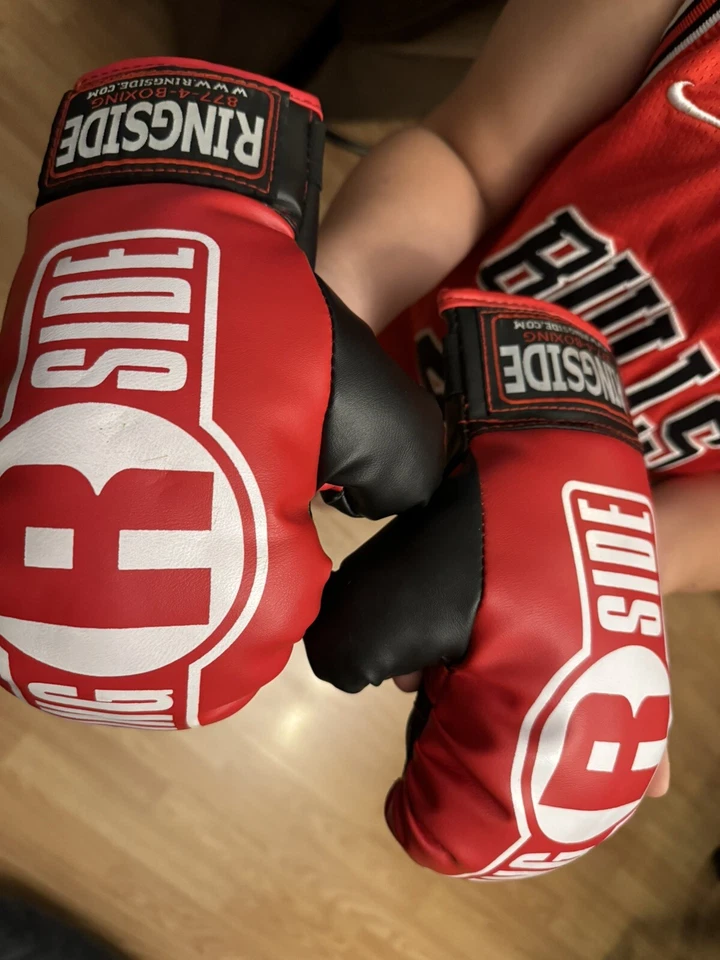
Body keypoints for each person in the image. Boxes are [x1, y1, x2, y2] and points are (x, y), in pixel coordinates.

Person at [315, 0, 720, 797]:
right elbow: (469, 151)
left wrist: (614, 578)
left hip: (545, 529)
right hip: (382, 357)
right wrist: (305, 326)